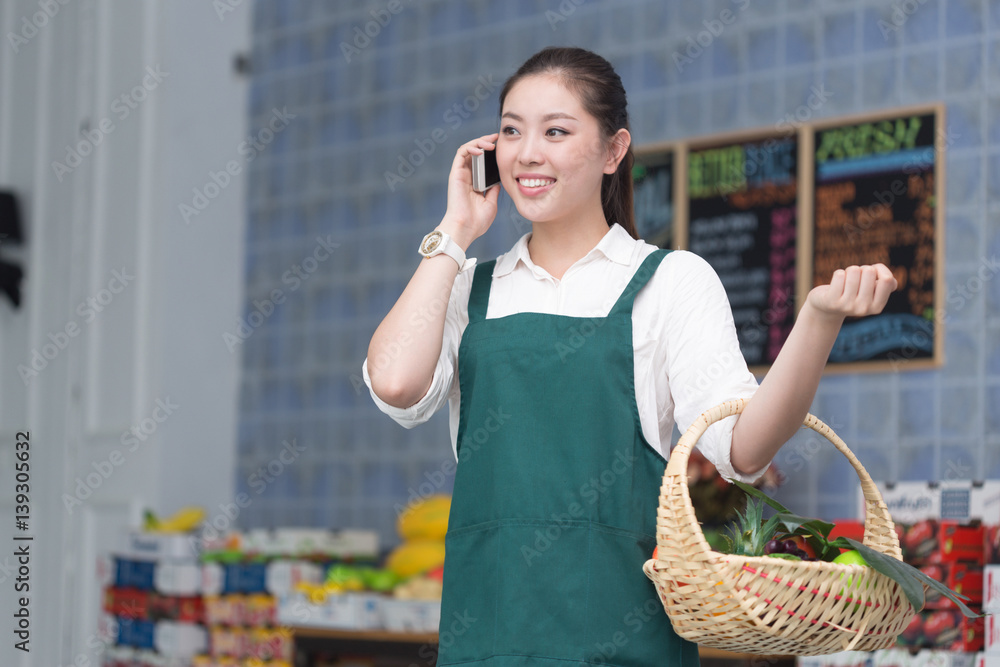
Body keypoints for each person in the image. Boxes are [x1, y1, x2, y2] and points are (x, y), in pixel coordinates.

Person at [363, 46, 896, 667]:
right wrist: (454, 233)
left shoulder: (671, 281)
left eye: (556, 131)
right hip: (487, 637)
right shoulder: (465, 284)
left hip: (621, 640)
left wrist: (818, 320)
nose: (527, 153)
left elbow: (745, 449)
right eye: (511, 131)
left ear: (614, 151)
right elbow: (396, 382)